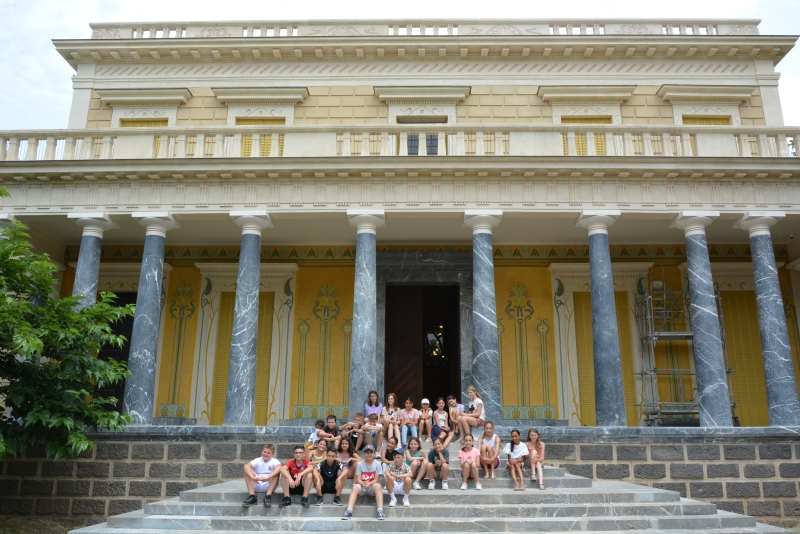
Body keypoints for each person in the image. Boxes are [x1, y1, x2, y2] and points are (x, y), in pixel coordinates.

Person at [342, 445, 386, 521]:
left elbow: (376, 479)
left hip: (372, 486)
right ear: (364, 454)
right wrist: (363, 484)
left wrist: (369, 484)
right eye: (367, 453)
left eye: (371, 452)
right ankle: (349, 511)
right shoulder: (360, 464)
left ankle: (380, 511)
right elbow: (358, 479)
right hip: (362, 485)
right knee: (355, 487)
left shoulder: (378, 464)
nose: (369, 454)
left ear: (374, 454)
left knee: (378, 486)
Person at [242, 443, 288, 507]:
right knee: (248, 471)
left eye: (268, 453)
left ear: (272, 454)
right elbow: (246, 466)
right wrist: (252, 477)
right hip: (257, 482)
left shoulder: (274, 461)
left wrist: (268, 477)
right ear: (262, 451)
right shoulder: (258, 460)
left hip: (269, 484)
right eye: (264, 452)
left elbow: (279, 467)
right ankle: (252, 496)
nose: (266, 454)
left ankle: (268, 496)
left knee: (276, 473)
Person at [308, 439, 329, 504]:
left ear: (326, 447)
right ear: (317, 444)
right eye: (321, 444)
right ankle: (320, 496)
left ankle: (315, 483)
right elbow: (307, 462)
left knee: (316, 472)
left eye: (324, 445)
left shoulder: (325, 453)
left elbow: (325, 460)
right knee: (314, 470)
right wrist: (308, 448)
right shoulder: (312, 452)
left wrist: (312, 462)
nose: (322, 446)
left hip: (321, 470)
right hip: (313, 470)